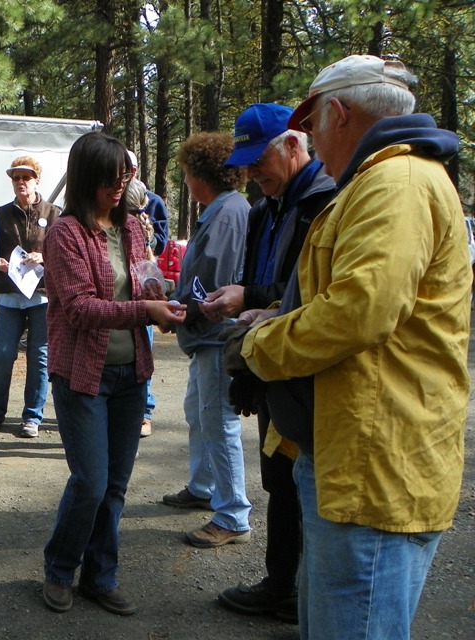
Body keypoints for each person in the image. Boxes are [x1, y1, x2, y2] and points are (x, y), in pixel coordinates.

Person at [224, 55, 470, 638]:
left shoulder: (395, 183)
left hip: (374, 469)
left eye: (311, 127)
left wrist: (258, 345)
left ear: (337, 112)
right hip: (354, 461)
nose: (309, 140)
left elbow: (360, 311)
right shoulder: (385, 180)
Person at [199, 103, 335, 623]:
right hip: (268, 359)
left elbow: (312, 295)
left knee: (305, 483)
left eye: (262, 159)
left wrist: (249, 295)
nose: (253, 172)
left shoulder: (323, 203)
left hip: (303, 367)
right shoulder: (266, 209)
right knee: (279, 479)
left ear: (296, 145)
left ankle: (298, 593)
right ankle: (284, 587)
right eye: (248, 162)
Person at [41, 131, 185, 616]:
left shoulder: (132, 226)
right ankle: (60, 569)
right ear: (87, 179)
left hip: (130, 373)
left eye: (124, 177)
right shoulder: (65, 234)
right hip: (83, 374)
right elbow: (79, 309)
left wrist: (163, 293)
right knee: (90, 482)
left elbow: (143, 276)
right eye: (110, 180)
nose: (119, 188)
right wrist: (146, 309)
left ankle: (100, 577)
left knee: (116, 485)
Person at [160, 132, 252, 548]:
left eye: (186, 174)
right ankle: (202, 486)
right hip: (205, 334)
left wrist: (181, 311)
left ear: (202, 175)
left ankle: (233, 514)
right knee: (198, 414)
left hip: (216, 334)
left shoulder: (229, 213)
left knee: (218, 422)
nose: (185, 182)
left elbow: (214, 281)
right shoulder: (220, 210)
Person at [0, 156, 61, 438]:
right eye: (16, 178)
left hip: (42, 298)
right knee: (2, 354)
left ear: (37, 180)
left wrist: (45, 257)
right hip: (9, 298)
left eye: (26, 177)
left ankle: (32, 417)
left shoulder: (54, 215)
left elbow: (67, 257)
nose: (21, 183)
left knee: (39, 356)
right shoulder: (1, 215)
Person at [127, 150, 170, 437]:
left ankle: (145, 412)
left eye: (129, 169)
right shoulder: (109, 200)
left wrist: (147, 234)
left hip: (144, 284)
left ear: (137, 170)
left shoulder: (152, 201)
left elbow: (162, 243)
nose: (125, 174)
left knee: (145, 349)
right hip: (121, 292)